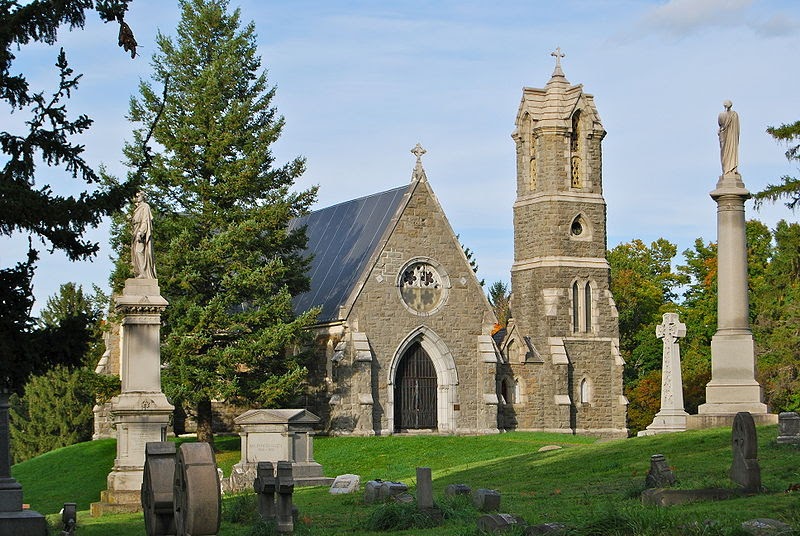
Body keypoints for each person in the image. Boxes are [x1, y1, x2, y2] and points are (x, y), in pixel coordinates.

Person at [131, 191, 156, 279]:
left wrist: (141, 232)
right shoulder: (137, 208)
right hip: (135, 231)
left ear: (143, 196)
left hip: (141, 233)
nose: (137, 197)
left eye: (138, 196)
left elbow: (145, 220)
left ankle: (144, 273)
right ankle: (139, 272)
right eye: (136, 196)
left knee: (139, 251)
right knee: (135, 253)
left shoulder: (145, 206)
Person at [718, 100, 740, 176]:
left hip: (730, 137)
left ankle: (731, 169)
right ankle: (730, 169)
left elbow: (720, 124)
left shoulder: (726, 115)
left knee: (727, 152)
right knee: (727, 152)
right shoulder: (734, 115)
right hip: (727, 137)